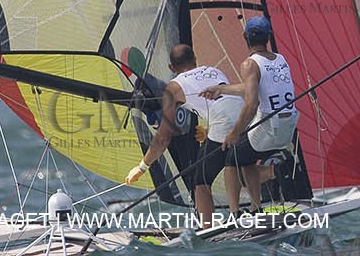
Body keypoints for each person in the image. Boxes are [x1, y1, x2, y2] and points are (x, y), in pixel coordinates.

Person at [124, 43, 244, 227]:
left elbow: (163, 138)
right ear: (195, 59)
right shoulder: (215, 71)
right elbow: (224, 104)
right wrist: (209, 130)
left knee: (200, 180)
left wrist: (141, 167)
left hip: (224, 124)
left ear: (171, 67)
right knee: (234, 162)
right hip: (246, 116)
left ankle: (207, 230)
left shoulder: (173, 87)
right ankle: (244, 208)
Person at [200, 16, 299, 216]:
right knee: (246, 156)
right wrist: (222, 90)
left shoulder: (249, 64)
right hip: (288, 128)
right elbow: (255, 88)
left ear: (245, 36)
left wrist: (234, 133)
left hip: (269, 129)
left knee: (232, 156)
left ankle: (235, 213)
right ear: (268, 37)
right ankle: (256, 207)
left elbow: (252, 104)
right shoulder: (281, 59)